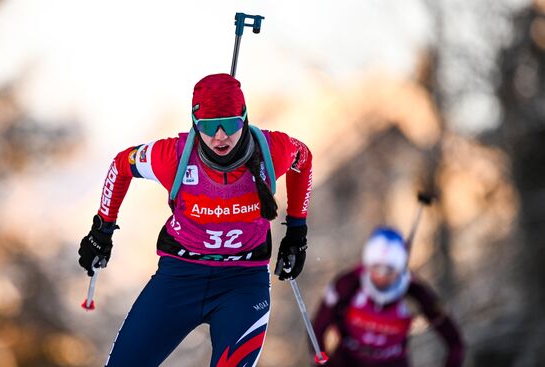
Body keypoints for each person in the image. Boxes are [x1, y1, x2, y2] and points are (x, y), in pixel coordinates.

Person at [78, 73, 313, 367]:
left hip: (242, 283)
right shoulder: (171, 157)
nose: (220, 136)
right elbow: (121, 165)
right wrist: (102, 230)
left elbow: (304, 158)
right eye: (209, 127)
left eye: (230, 124)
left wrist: (296, 231)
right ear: (194, 124)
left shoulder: (272, 151)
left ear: (244, 117)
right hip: (179, 278)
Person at [312, 227, 465, 367]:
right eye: (376, 268)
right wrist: (322, 361)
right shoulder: (347, 283)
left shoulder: (414, 291)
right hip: (346, 361)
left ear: (399, 269)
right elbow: (318, 328)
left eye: (389, 270)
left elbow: (455, 342)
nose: (381, 276)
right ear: (367, 264)